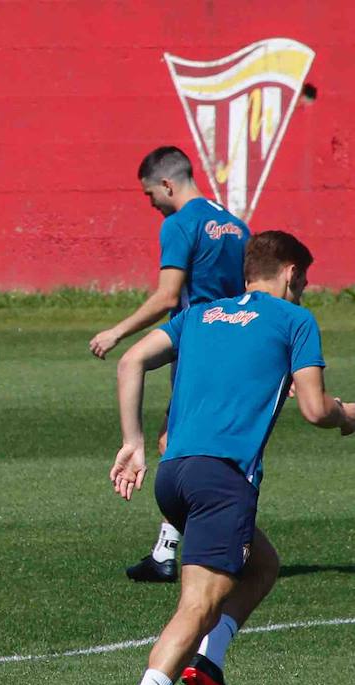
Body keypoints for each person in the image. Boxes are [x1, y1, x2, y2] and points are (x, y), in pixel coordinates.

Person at [105, 230, 354, 685]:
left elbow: (130, 362)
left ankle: (209, 666)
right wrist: (348, 415)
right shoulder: (294, 322)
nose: (305, 291)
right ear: (290, 272)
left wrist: (133, 442)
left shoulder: (202, 315)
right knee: (196, 608)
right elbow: (314, 409)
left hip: (174, 477)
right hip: (222, 481)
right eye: (305, 281)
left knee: (262, 564)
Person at [91, 147, 249, 583]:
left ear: (167, 184)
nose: (151, 205)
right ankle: (168, 550)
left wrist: (117, 331)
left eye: (149, 195)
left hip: (197, 343)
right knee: (177, 440)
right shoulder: (236, 225)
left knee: (187, 447)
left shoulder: (180, 224)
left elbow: (166, 296)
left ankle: (203, 548)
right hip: (237, 341)